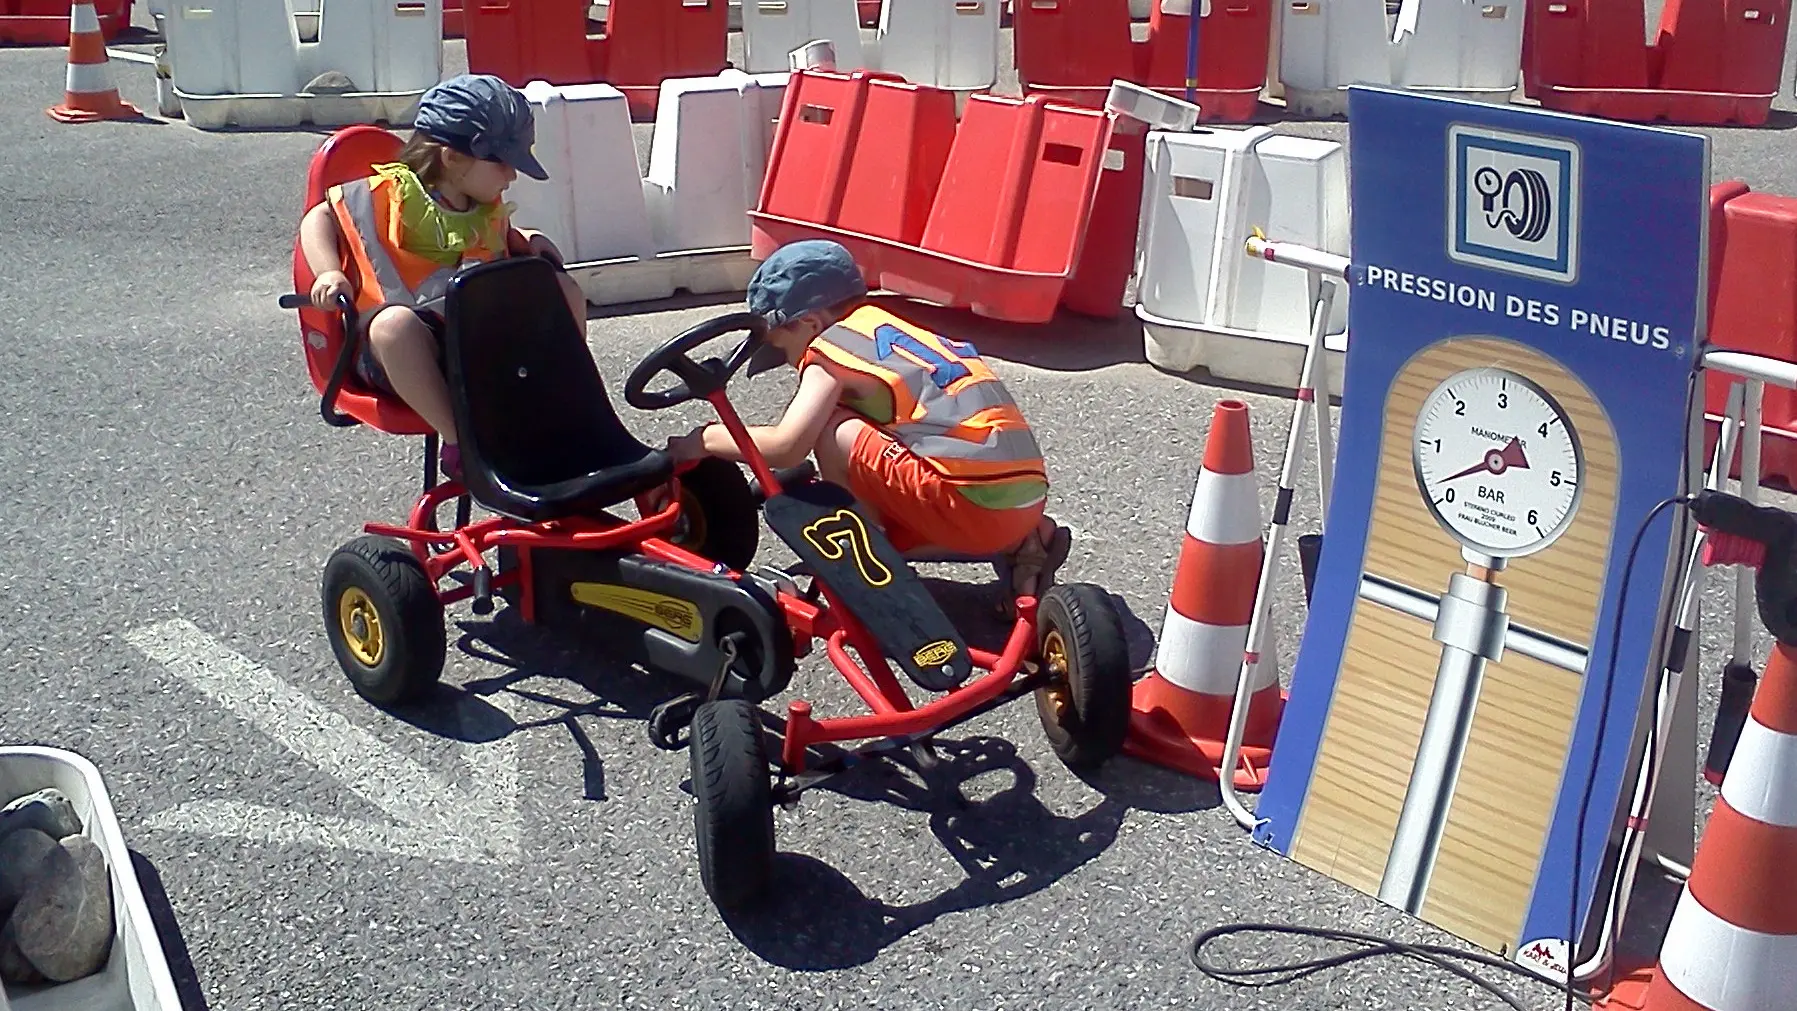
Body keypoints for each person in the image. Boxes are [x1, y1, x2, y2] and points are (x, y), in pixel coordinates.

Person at [665, 239, 1072, 609]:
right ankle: (1028, 543)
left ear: (808, 324)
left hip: (970, 509)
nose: (791, 363)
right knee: (897, 434)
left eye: (782, 347)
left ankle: (862, 560)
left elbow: (786, 447)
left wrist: (703, 440)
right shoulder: (888, 326)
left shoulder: (830, 346)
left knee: (832, 429)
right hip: (1026, 501)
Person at [297, 73, 586, 479]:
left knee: (563, 289)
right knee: (393, 326)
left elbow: (486, 241)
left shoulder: (480, 202)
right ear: (451, 158)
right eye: (503, 163)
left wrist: (526, 239)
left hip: (476, 343)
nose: (512, 176)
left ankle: (561, 404)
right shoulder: (379, 193)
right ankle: (462, 445)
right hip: (398, 356)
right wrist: (328, 271)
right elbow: (318, 217)